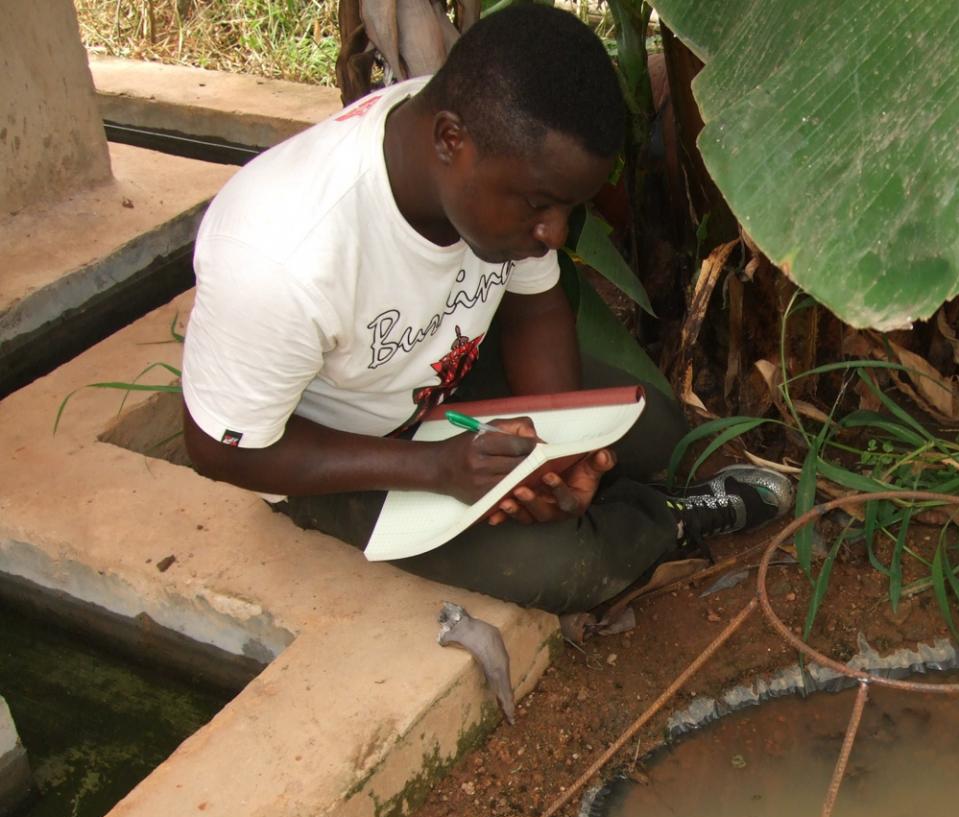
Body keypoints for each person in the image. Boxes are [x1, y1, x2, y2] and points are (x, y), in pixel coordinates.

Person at [180, 5, 789, 614]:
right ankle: (663, 523)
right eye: (539, 206)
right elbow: (220, 450)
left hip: (446, 385)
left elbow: (534, 307)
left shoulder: (500, 144)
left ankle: (592, 499)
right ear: (451, 142)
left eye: (567, 209)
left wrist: (557, 456)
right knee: (566, 569)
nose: (554, 232)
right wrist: (435, 467)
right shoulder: (281, 256)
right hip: (343, 451)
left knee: (657, 431)